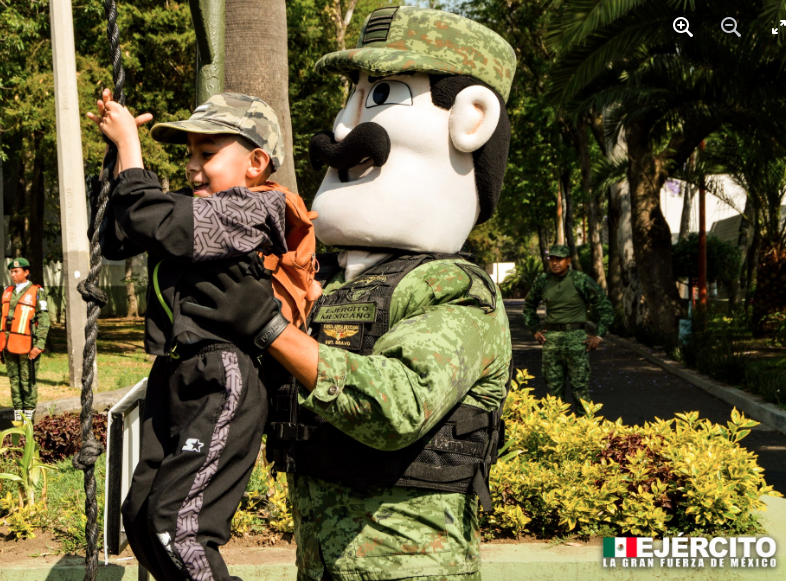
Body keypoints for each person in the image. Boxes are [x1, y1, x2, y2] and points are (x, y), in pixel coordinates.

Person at [184, 7, 516, 580]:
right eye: (351, 98)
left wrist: (271, 329)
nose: (340, 131)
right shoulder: (336, 285)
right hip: (320, 561)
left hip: (410, 567)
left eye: (381, 94)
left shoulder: (456, 293)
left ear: (473, 120)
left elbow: (399, 405)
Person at [87, 90, 317, 581]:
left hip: (222, 378)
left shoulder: (256, 211)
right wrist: (115, 157)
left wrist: (132, 147)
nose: (193, 167)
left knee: (179, 528)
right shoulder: (199, 208)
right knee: (142, 519)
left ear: (256, 162)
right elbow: (119, 234)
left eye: (207, 153)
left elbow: (160, 223)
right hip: (173, 375)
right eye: (189, 155)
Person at [522, 244, 614, 415]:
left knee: (580, 390)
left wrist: (599, 335)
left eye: (559, 259)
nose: (555, 263)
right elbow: (529, 306)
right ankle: (558, 433)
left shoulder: (581, 280)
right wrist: (535, 329)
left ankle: (584, 433)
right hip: (552, 341)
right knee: (553, 393)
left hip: (576, 339)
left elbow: (605, 306)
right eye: (552, 259)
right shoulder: (543, 281)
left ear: (568, 261)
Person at [0, 257, 50, 424]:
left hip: (28, 345)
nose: (13, 274)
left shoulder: (37, 291)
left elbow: (44, 320)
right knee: (14, 381)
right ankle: (18, 415)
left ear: (26, 272)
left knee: (27, 382)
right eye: (11, 272)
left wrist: (39, 345)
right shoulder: (7, 291)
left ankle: (28, 419)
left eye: (16, 271)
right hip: (8, 344)